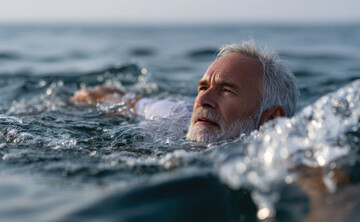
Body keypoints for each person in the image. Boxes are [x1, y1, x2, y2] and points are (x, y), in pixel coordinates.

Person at [72, 39, 299, 143]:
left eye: (227, 90)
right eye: (202, 87)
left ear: (271, 120)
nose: (202, 100)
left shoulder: (291, 153)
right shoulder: (178, 115)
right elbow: (116, 99)